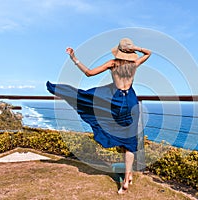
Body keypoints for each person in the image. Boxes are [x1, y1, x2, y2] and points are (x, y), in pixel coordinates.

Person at [46, 38, 151, 194]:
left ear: (119, 51)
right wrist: (135, 47)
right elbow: (149, 53)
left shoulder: (113, 64)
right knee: (129, 142)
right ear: (130, 53)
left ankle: (128, 177)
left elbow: (89, 73)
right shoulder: (134, 65)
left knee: (92, 105)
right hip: (131, 102)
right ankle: (128, 177)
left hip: (116, 102)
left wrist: (74, 58)